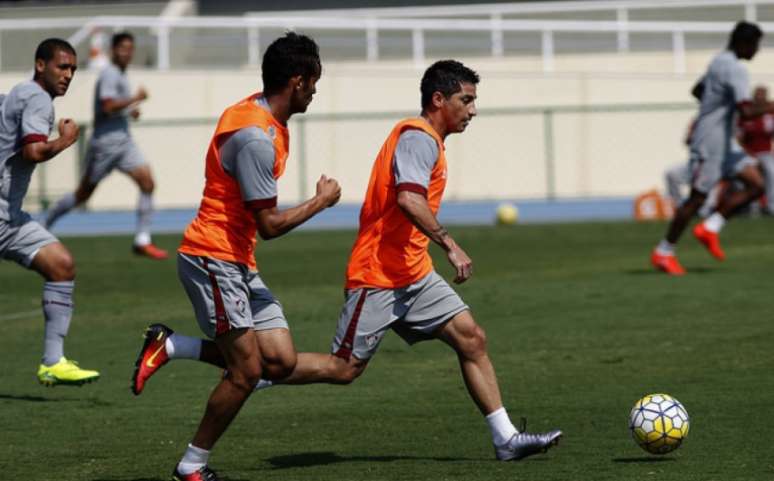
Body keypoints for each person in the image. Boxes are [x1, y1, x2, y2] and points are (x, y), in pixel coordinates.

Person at [132, 59, 562, 464]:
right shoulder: (417, 137)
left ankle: (505, 438)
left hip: (414, 274)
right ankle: (220, 362)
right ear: (438, 100)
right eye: (466, 100)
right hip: (379, 276)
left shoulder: (429, 142)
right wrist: (449, 243)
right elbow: (409, 198)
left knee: (472, 338)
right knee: (343, 369)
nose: (473, 110)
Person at [133, 33, 340, 481]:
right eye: (314, 82)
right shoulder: (256, 140)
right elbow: (270, 226)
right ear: (297, 81)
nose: (316, 91)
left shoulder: (256, 110)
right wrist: (321, 201)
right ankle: (192, 465)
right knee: (246, 372)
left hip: (237, 262)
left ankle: (173, 346)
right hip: (213, 259)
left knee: (279, 362)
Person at [0, 38, 100, 386]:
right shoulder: (38, 99)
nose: (68, 74)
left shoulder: (18, 92)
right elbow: (33, 152)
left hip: (8, 219)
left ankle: (53, 362)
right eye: (62, 66)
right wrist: (67, 140)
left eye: (73, 68)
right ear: (40, 64)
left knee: (61, 265)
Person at [651, 21, 772, 275]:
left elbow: (697, 90)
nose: (756, 51)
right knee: (697, 198)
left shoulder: (718, 61)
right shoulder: (736, 69)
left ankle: (710, 228)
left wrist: (714, 106)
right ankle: (663, 252)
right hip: (710, 143)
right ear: (743, 43)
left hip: (723, 141)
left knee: (757, 184)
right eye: (755, 45)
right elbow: (747, 111)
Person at [45, 32, 167, 259]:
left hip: (124, 142)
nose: (127, 53)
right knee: (83, 195)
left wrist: (131, 111)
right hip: (104, 145)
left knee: (148, 183)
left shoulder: (121, 74)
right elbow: (108, 106)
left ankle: (142, 240)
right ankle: (47, 223)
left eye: (130, 48)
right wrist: (135, 99)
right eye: (123, 48)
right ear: (113, 50)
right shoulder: (110, 74)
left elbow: (115, 108)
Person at [738, 85, 774, 213]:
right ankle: (752, 208)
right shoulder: (745, 115)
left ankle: (771, 206)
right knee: (747, 176)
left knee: (771, 170)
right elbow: (739, 138)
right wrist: (748, 153)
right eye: (757, 95)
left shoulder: (769, 114)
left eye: (762, 95)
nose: (759, 98)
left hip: (765, 152)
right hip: (747, 153)